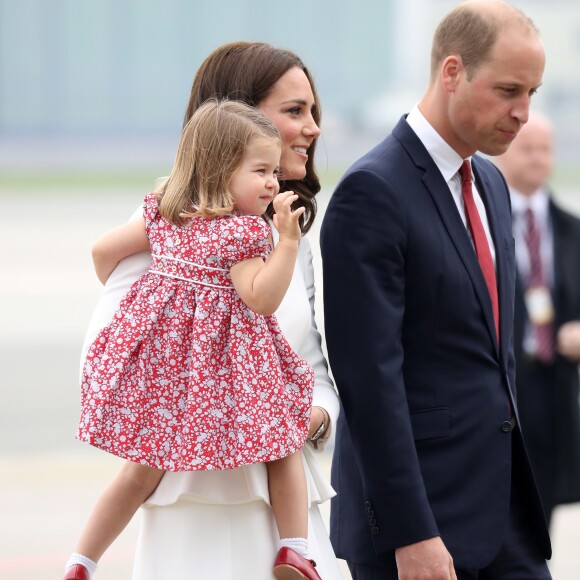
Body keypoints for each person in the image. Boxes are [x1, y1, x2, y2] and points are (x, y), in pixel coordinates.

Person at [72, 42, 342, 580]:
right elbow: (114, 332)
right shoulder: (171, 220)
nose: (313, 128)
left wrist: (313, 417)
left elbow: (315, 365)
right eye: (294, 111)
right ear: (232, 127)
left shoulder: (284, 232)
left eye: (313, 111)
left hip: (281, 497)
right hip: (190, 511)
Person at [321, 1, 552, 578]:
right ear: (452, 72)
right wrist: (412, 533)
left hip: (503, 518)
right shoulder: (373, 192)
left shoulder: (491, 183)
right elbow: (368, 381)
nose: (523, 113)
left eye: (532, 92)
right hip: (420, 532)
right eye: (508, 90)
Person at [496, 112, 580, 527]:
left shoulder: (571, 229)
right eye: (527, 148)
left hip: (556, 384)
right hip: (504, 388)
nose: (537, 158)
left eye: (544, 149)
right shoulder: (484, 224)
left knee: (542, 518)